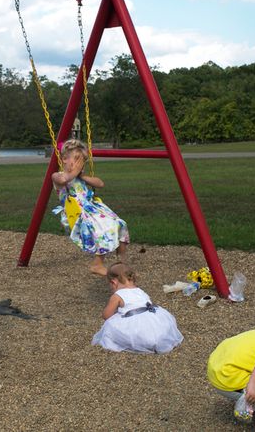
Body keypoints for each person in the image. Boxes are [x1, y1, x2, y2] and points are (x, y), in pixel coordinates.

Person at [51, 138, 129, 276]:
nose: (80, 164)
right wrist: (74, 172)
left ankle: (121, 263)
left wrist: (84, 176)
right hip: (77, 214)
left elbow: (100, 183)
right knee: (104, 229)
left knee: (121, 224)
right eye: (77, 159)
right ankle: (97, 265)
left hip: (93, 209)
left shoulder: (81, 177)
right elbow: (63, 180)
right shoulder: (57, 175)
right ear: (64, 159)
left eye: (82, 161)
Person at [91, 262, 183, 353]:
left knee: (109, 326)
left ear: (114, 282)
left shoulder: (117, 295)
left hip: (136, 327)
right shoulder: (140, 291)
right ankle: (156, 339)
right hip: (154, 321)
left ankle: (142, 342)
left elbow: (106, 315)